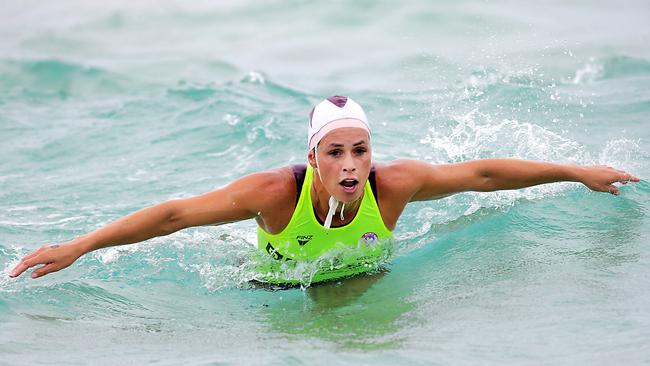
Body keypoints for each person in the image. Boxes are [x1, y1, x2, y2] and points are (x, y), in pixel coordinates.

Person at [8, 95, 640, 283]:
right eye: (335, 152)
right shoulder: (273, 192)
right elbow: (174, 216)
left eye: (359, 150)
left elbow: (481, 175)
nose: (350, 165)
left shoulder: (394, 185)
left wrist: (576, 170)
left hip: (362, 273)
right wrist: (79, 247)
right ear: (313, 158)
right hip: (273, 282)